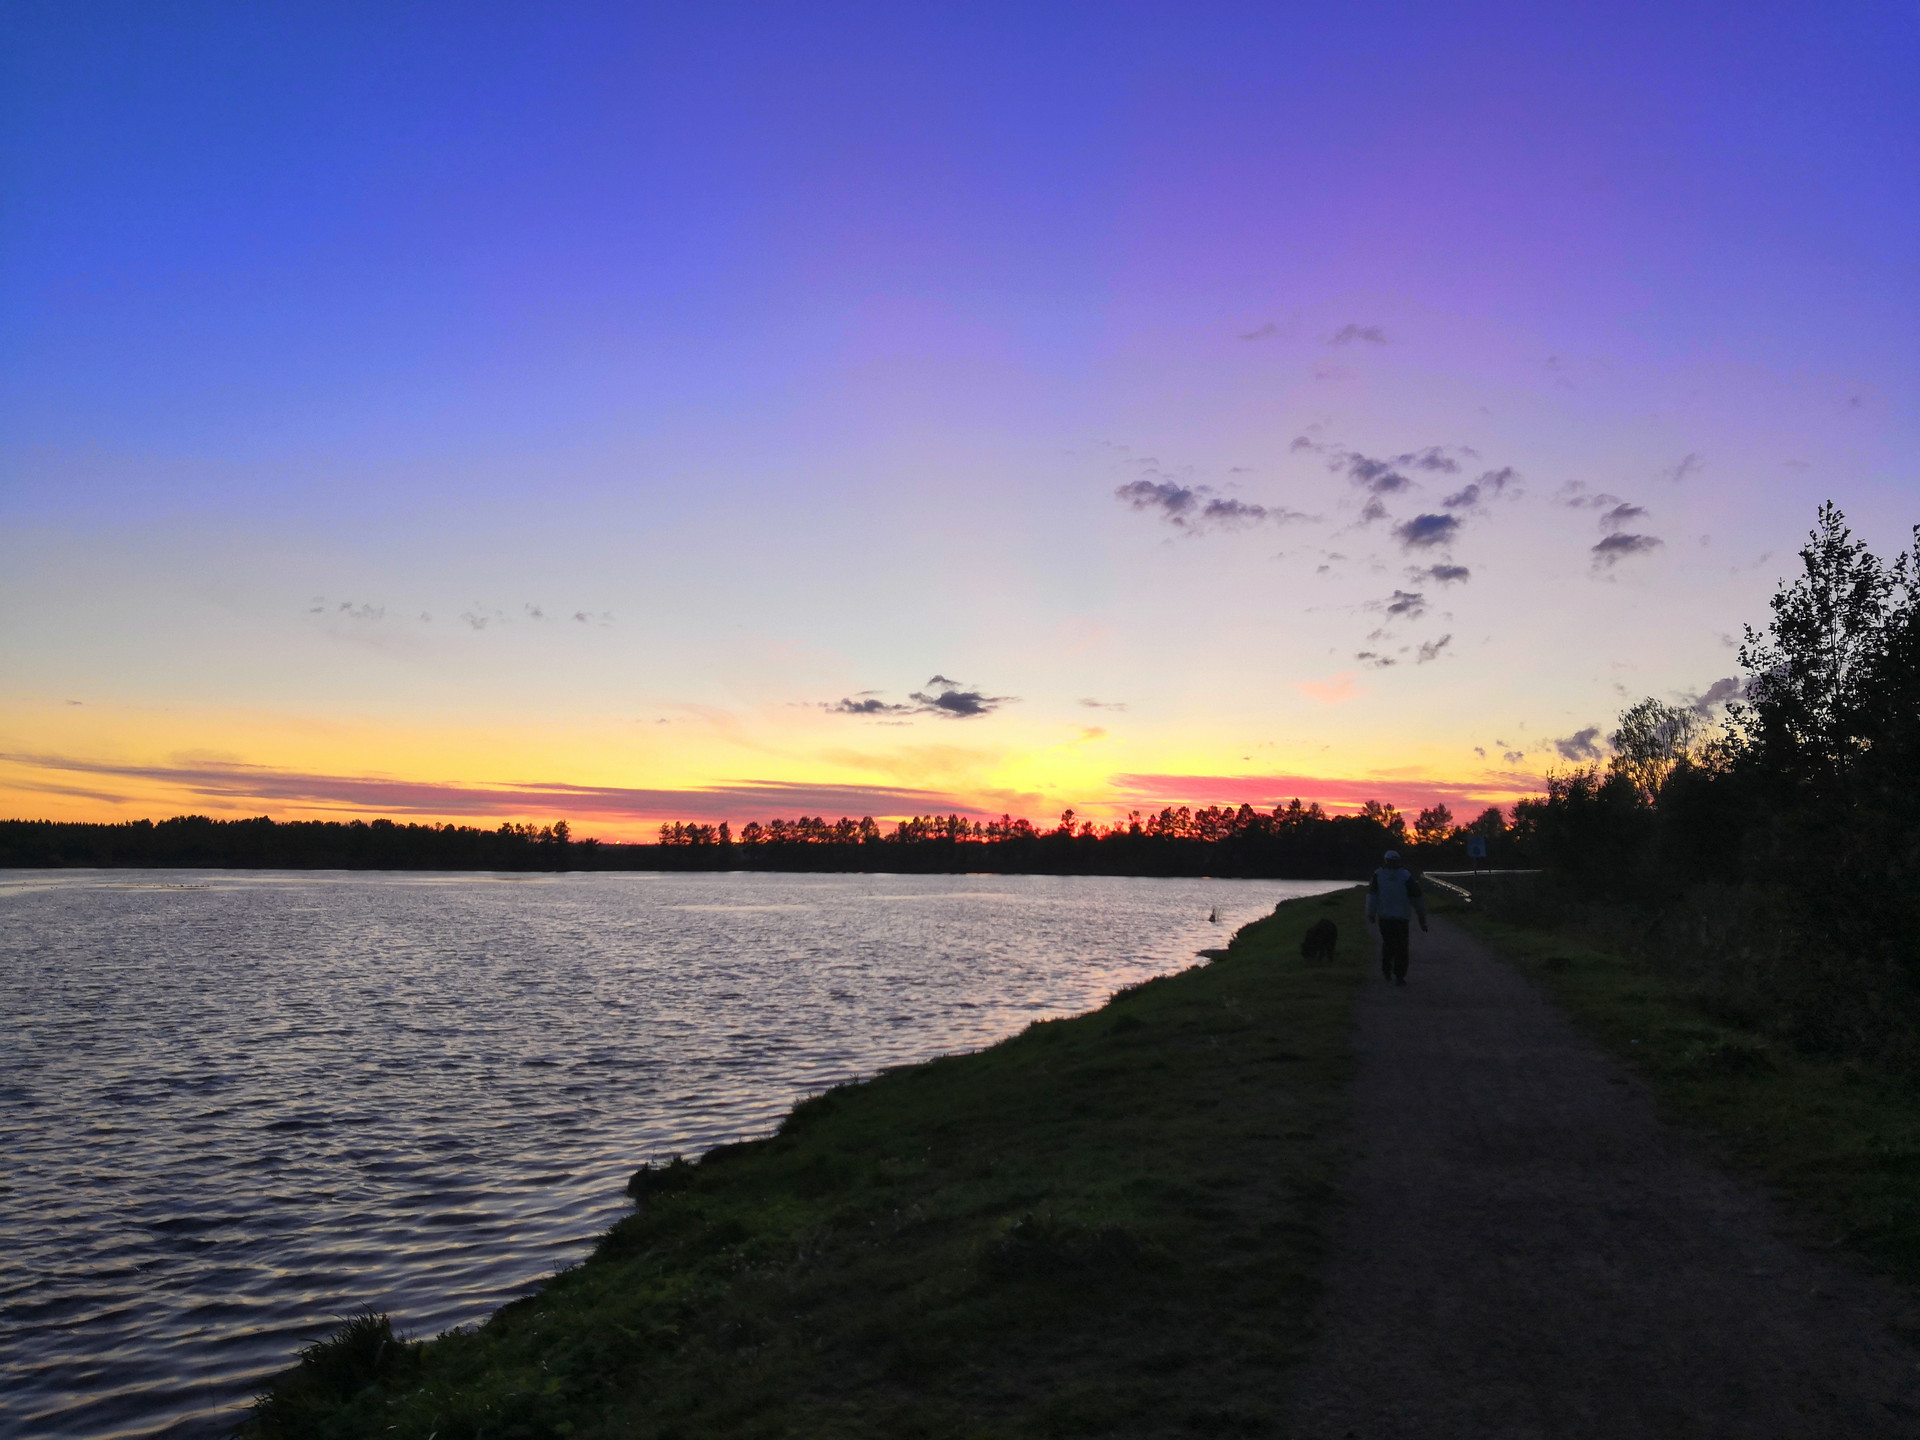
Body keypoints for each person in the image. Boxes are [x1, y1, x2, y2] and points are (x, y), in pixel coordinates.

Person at [1365, 849, 1428, 986]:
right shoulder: (1405, 876)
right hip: (1399, 917)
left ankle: (1389, 971)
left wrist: (1371, 913)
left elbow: (1372, 896)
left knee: (1390, 945)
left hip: (1389, 917)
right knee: (1400, 946)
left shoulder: (1379, 875)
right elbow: (1416, 898)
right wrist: (1421, 918)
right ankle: (1397, 974)